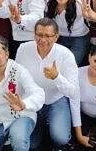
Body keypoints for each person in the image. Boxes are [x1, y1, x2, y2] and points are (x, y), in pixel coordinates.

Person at [0, 35, 45, 151]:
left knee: (18, 139)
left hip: (21, 116)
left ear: (6, 54)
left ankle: (32, 133)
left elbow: (38, 93)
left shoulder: (19, 70)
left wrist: (23, 104)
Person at [15, 18, 80, 149]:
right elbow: (17, 79)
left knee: (60, 138)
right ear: (34, 34)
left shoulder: (66, 55)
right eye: (39, 35)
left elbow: (73, 92)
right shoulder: (23, 49)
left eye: (48, 36)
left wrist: (56, 77)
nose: (43, 40)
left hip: (55, 101)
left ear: (56, 37)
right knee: (31, 144)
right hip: (31, 101)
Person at [46, 0, 90, 65]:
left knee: (70, 63)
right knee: (53, 62)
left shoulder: (79, 4)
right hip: (58, 37)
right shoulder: (48, 2)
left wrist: (88, 15)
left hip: (78, 38)